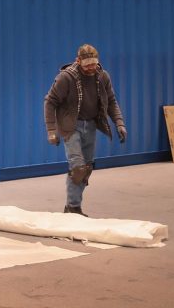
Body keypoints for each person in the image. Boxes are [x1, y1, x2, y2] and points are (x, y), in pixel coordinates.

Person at [43, 44, 127, 216]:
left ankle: (73, 207)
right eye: (87, 64)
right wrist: (51, 130)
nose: (91, 67)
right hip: (70, 126)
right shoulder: (65, 78)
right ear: (78, 60)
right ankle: (73, 208)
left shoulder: (102, 76)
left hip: (91, 125)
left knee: (86, 168)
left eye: (94, 63)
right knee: (78, 168)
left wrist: (119, 122)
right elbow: (50, 102)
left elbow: (111, 101)